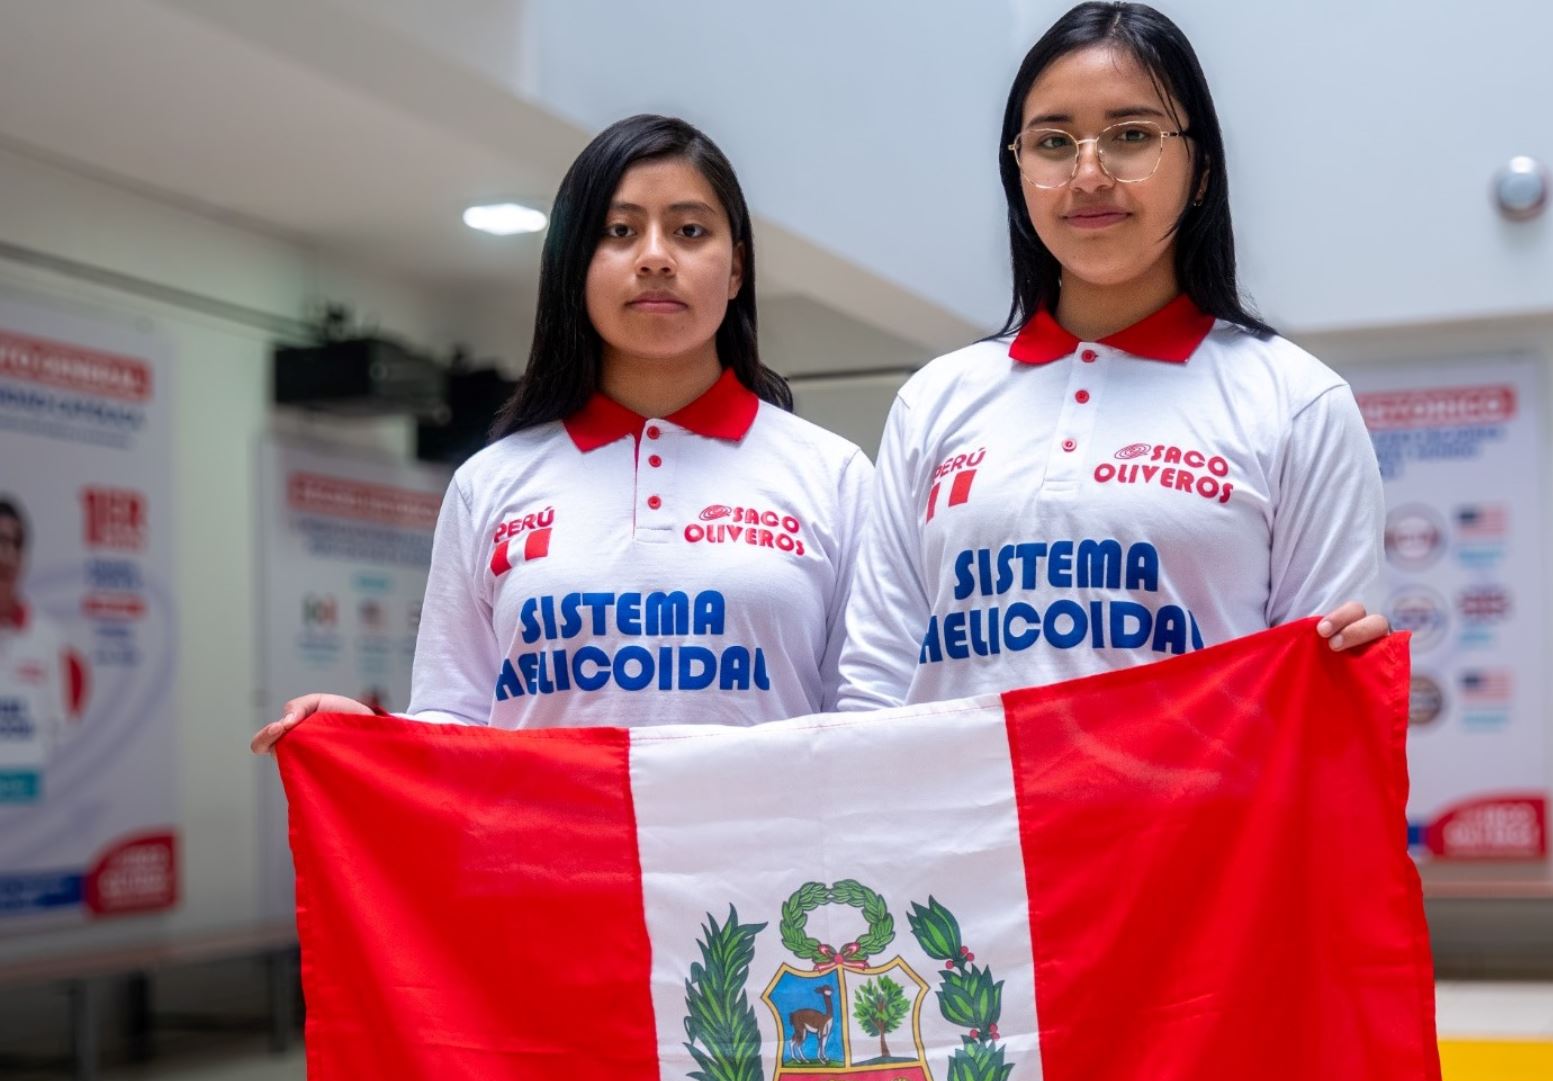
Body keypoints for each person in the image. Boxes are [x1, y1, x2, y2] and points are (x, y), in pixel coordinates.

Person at [253, 115, 870, 753]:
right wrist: (371, 742)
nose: (655, 257)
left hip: (763, 853)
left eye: (690, 231)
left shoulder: (834, 476)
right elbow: (456, 723)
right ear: (576, 264)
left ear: (736, 269)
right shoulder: (487, 485)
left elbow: (867, 723)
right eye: (619, 231)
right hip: (544, 852)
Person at [837, 1, 1388, 708]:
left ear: (1203, 170)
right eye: (1054, 143)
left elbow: (1319, 703)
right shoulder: (935, 399)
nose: (1089, 175)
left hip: (1193, 821)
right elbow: (878, 681)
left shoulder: (1296, 404)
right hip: (971, 820)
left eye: (1131, 135)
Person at [0, 496, 86, 801]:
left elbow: (60, 732)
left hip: (30, 800)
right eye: (0, 541)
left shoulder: (48, 637)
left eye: (16, 544)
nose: (7, 555)